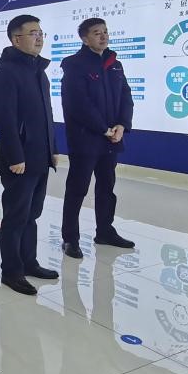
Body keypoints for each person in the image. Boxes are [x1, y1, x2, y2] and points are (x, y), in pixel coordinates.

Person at [0, 14, 60, 296]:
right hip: (19, 159)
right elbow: (5, 120)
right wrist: (15, 156)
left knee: (32, 214)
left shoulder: (38, 71)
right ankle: (12, 271)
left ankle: (29, 262)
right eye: (33, 33)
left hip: (40, 156)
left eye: (41, 32)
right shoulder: (6, 73)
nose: (39, 37)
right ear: (16, 39)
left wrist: (53, 149)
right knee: (16, 216)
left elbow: (47, 115)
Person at [60, 18, 136, 259]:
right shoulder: (74, 65)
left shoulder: (115, 64)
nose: (103, 36)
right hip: (86, 139)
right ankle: (70, 239)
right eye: (96, 33)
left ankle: (105, 231)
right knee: (77, 189)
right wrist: (103, 129)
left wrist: (122, 125)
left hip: (111, 138)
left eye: (105, 32)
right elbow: (77, 103)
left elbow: (126, 96)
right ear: (85, 38)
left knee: (107, 187)